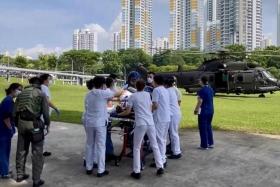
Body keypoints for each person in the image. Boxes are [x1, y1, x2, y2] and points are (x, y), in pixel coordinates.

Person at [119, 80, 164, 179]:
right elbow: (150, 107)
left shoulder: (133, 96)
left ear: (136, 86)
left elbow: (127, 112)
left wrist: (117, 114)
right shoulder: (148, 94)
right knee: (154, 144)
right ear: (144, 86)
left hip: (141, 123)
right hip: (150, 121)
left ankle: (137, 171)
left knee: (136, 147)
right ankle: (160, 166)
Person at [83, 76, 122, 177]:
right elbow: (117, 93)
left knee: (89, 145)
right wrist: (111, 84)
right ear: (102, 84)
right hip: (99, 123)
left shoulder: (88, 94)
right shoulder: (103, 93)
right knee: (101, 146)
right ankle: (101, 170)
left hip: (89, 122)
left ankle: (89, 167)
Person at [14, 77, 50, 187]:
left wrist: (18, 124)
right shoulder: (41, 94)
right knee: (37, 153)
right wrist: (47, 124)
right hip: (34, 125)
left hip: (21, 124)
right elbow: (45, 112)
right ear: (38, 84)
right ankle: (36, 180)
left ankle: (20, 175)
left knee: (21, 149)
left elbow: (13, 112)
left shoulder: (21, 94)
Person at [0, 83, 22, 179]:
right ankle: (4, 172)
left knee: (4, 151)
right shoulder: (8, 101)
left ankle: (3, 169)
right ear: (13, 90)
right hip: (3, 131)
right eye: (19, 89)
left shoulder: (9, 100)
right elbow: (6, 117)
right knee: (4, 151)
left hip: (4, 130)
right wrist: (10, 129)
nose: (20, 91)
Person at [150, 75, 171, 168]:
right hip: (166, 117)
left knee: (159, 140)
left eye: (153, 80)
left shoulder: (156, 90)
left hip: (159, 118)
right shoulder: (166, 90)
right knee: (163, 139)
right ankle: (163, 158)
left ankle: (160, 161)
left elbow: (155, 105)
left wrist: (147, 111)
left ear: (156, 81)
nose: (151, 81)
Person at [39, 74, 60, 157]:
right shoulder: (44, 88)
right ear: (45, 80)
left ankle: (41, 150)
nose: (50, 81)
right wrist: (55, 108)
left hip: (42, 114)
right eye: (49, 79)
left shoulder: (41, 87)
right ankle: (40, 150)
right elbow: (47, 101)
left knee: (42, 132)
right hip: (43, 114)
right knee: (42, 132)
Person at [194, 76, 214, 149]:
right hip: (211, 110)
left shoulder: (201, 90)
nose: (199, 82)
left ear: (202, 81)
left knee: (203, 127)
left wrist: (196, 110)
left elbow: (200, 101)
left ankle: (204, 145)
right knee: (208, 126)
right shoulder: (211, 89)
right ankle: (210, 142)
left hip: (204, 111)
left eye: (199, 81)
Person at [165, 77, 182, 159]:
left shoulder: (168, 91)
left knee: (173, 133)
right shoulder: (173, 89)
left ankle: (176, 152)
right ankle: (174, 150)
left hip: (173, 114)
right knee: (174, 133)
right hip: (175, 113)